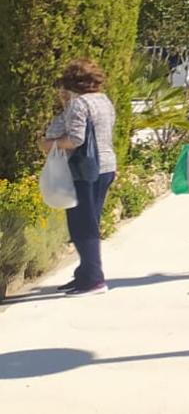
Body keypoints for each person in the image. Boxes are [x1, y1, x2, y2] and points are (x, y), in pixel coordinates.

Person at [42, 59, 117, 296]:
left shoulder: (79, 104)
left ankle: (94, 279)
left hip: (85, 170)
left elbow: (76, 139)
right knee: (90, 221)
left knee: (82, 226)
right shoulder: (103, 100)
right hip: (106, 166)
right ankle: (84, 274)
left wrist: (50, 145)